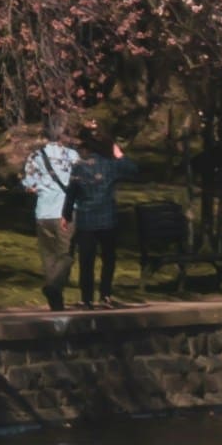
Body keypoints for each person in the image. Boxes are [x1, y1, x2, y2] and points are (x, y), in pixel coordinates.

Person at [19, 112, 82, 314]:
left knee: (48, 256)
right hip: (66, 212)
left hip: (43, 212)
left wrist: (40, 187)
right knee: (66, 255)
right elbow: (80, 184)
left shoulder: (35, 156)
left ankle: (56, 301)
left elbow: (29, 185)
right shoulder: (72, 156)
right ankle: (54, 287)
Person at [68, 123, 128, 309]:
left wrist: (66, 214)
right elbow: (132, 169)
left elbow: (72, 192)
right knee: (108, 258)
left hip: (86, 218)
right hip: (107, 218)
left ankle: (86, 298)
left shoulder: (80, 166)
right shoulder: (111, 166)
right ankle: (105, 294)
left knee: (86, 260)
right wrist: (120, 155)